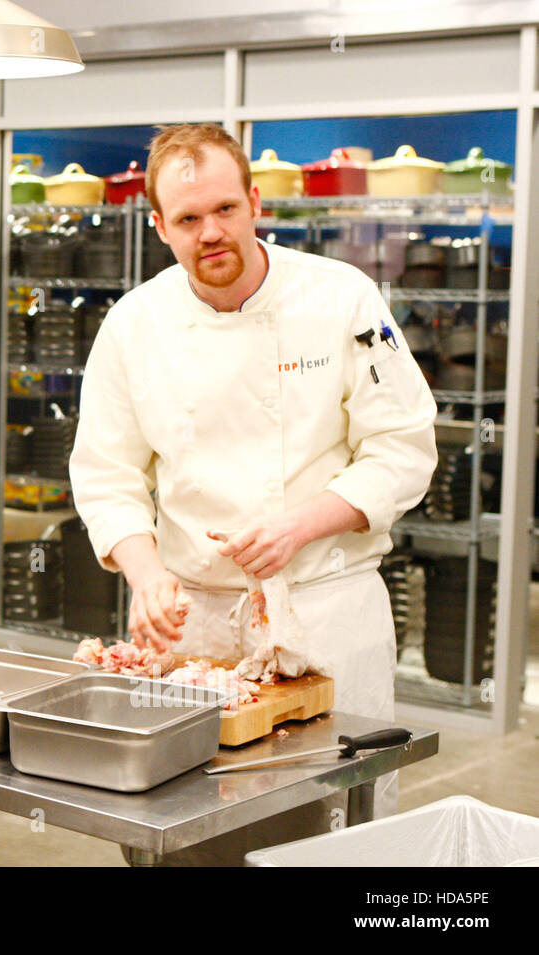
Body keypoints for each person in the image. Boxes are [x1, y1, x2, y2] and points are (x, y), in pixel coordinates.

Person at [69, 124, 437, 862]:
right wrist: (145, 577)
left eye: (226, 209)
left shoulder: (341, 299)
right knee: (193, 834)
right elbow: (106, 473)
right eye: (188, 219)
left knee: (337, 833)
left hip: (325, 609)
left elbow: (404, 447)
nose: (212, 233)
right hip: (195, 626)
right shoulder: (133, 324)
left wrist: (301, 524)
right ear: (158, 227)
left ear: (255, 201)